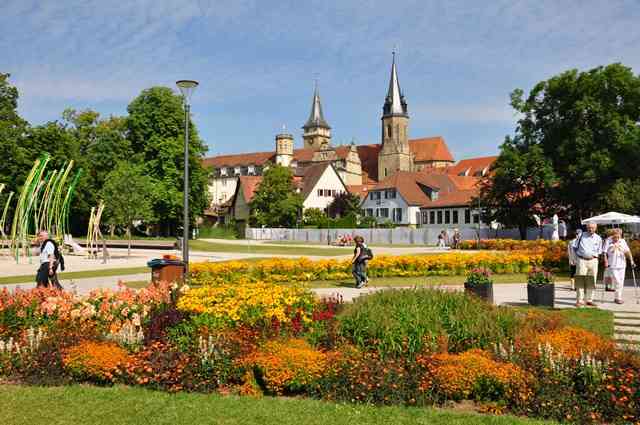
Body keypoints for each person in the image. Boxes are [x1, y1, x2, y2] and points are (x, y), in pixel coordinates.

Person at [572, 222, 603, 307]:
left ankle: (589, 300)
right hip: (582, 260)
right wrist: (575, 259)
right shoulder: (581, 235)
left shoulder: (598, 238)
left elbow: (599, 251)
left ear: (596, 228)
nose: (590, 229)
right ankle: (579, 300)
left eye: (592, 228)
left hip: (593, 260)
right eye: (589, 227)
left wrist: (595, 258)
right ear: (586, 227)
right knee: (580, 280)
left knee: (591, 280)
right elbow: (574, 247)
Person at [603, 228, 635, 304]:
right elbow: (604, 252)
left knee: (621, 282)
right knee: (617, 281)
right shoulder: (608, 241)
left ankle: (618, 298)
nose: (617, 238)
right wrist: (605, 261)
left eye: (618, 236)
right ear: (612, 235)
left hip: (622, 264)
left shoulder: (623, 241)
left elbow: (627, 251)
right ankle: (618, 298)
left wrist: (631, 260)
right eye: (615, 237)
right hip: (612, 264)